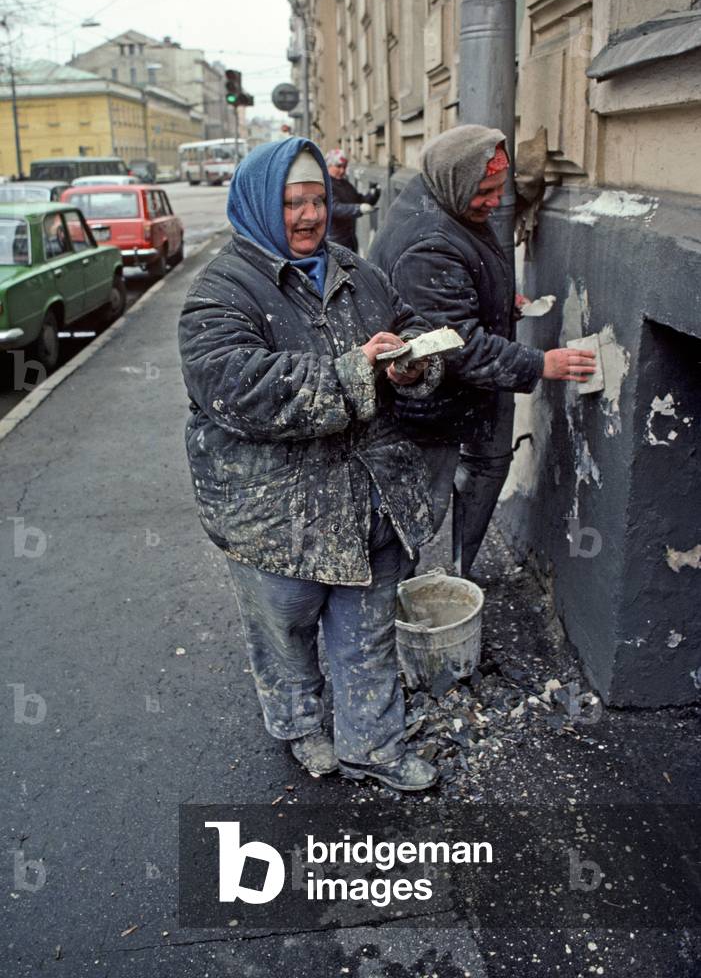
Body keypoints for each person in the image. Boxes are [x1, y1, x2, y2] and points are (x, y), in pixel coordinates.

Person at [178, 137, 443, 792]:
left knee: (368, 637)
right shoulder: (219, 293)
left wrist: (414, 365)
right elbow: (239, 388)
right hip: (274, 519)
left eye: (317, 199)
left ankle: (372, 748)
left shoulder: (358, 273)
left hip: (365, 502)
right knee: (286, 635)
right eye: (291, 202)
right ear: (260, 206)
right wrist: (356, 371)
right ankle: (301, 727)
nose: (307, 216)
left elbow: (408, 329)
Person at [370, 124, 595, 572]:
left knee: (484, 467)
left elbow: (452, 295)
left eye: (500, 188)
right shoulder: (427, 243)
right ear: (456, 180)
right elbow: (454, 346)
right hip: (428, 412)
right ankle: (399, 606)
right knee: (417, 516)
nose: (496, 202)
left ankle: (453, 575)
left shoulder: (444, 201)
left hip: (458, 401)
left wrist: (494, 299)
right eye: (486, 191)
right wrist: (539, 363)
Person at [325, 148, 381, 251]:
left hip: (349, 239)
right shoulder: (325, 185)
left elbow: (358, 199)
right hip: (334, 241)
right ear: (328, 165)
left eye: (344, 167)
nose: (342, 170)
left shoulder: (344, 183)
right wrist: (359, 208)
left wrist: (373, 194)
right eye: (338, 166)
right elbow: (334, 207)